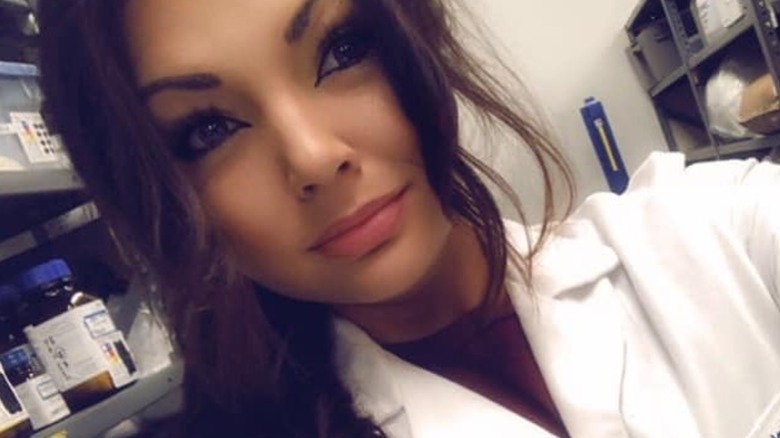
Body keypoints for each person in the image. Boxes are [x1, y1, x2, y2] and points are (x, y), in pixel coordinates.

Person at [33, 0, 780, 437]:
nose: (315, 156)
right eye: (208, 130)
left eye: (342, 49)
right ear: (162, 200)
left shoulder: (713, 229)